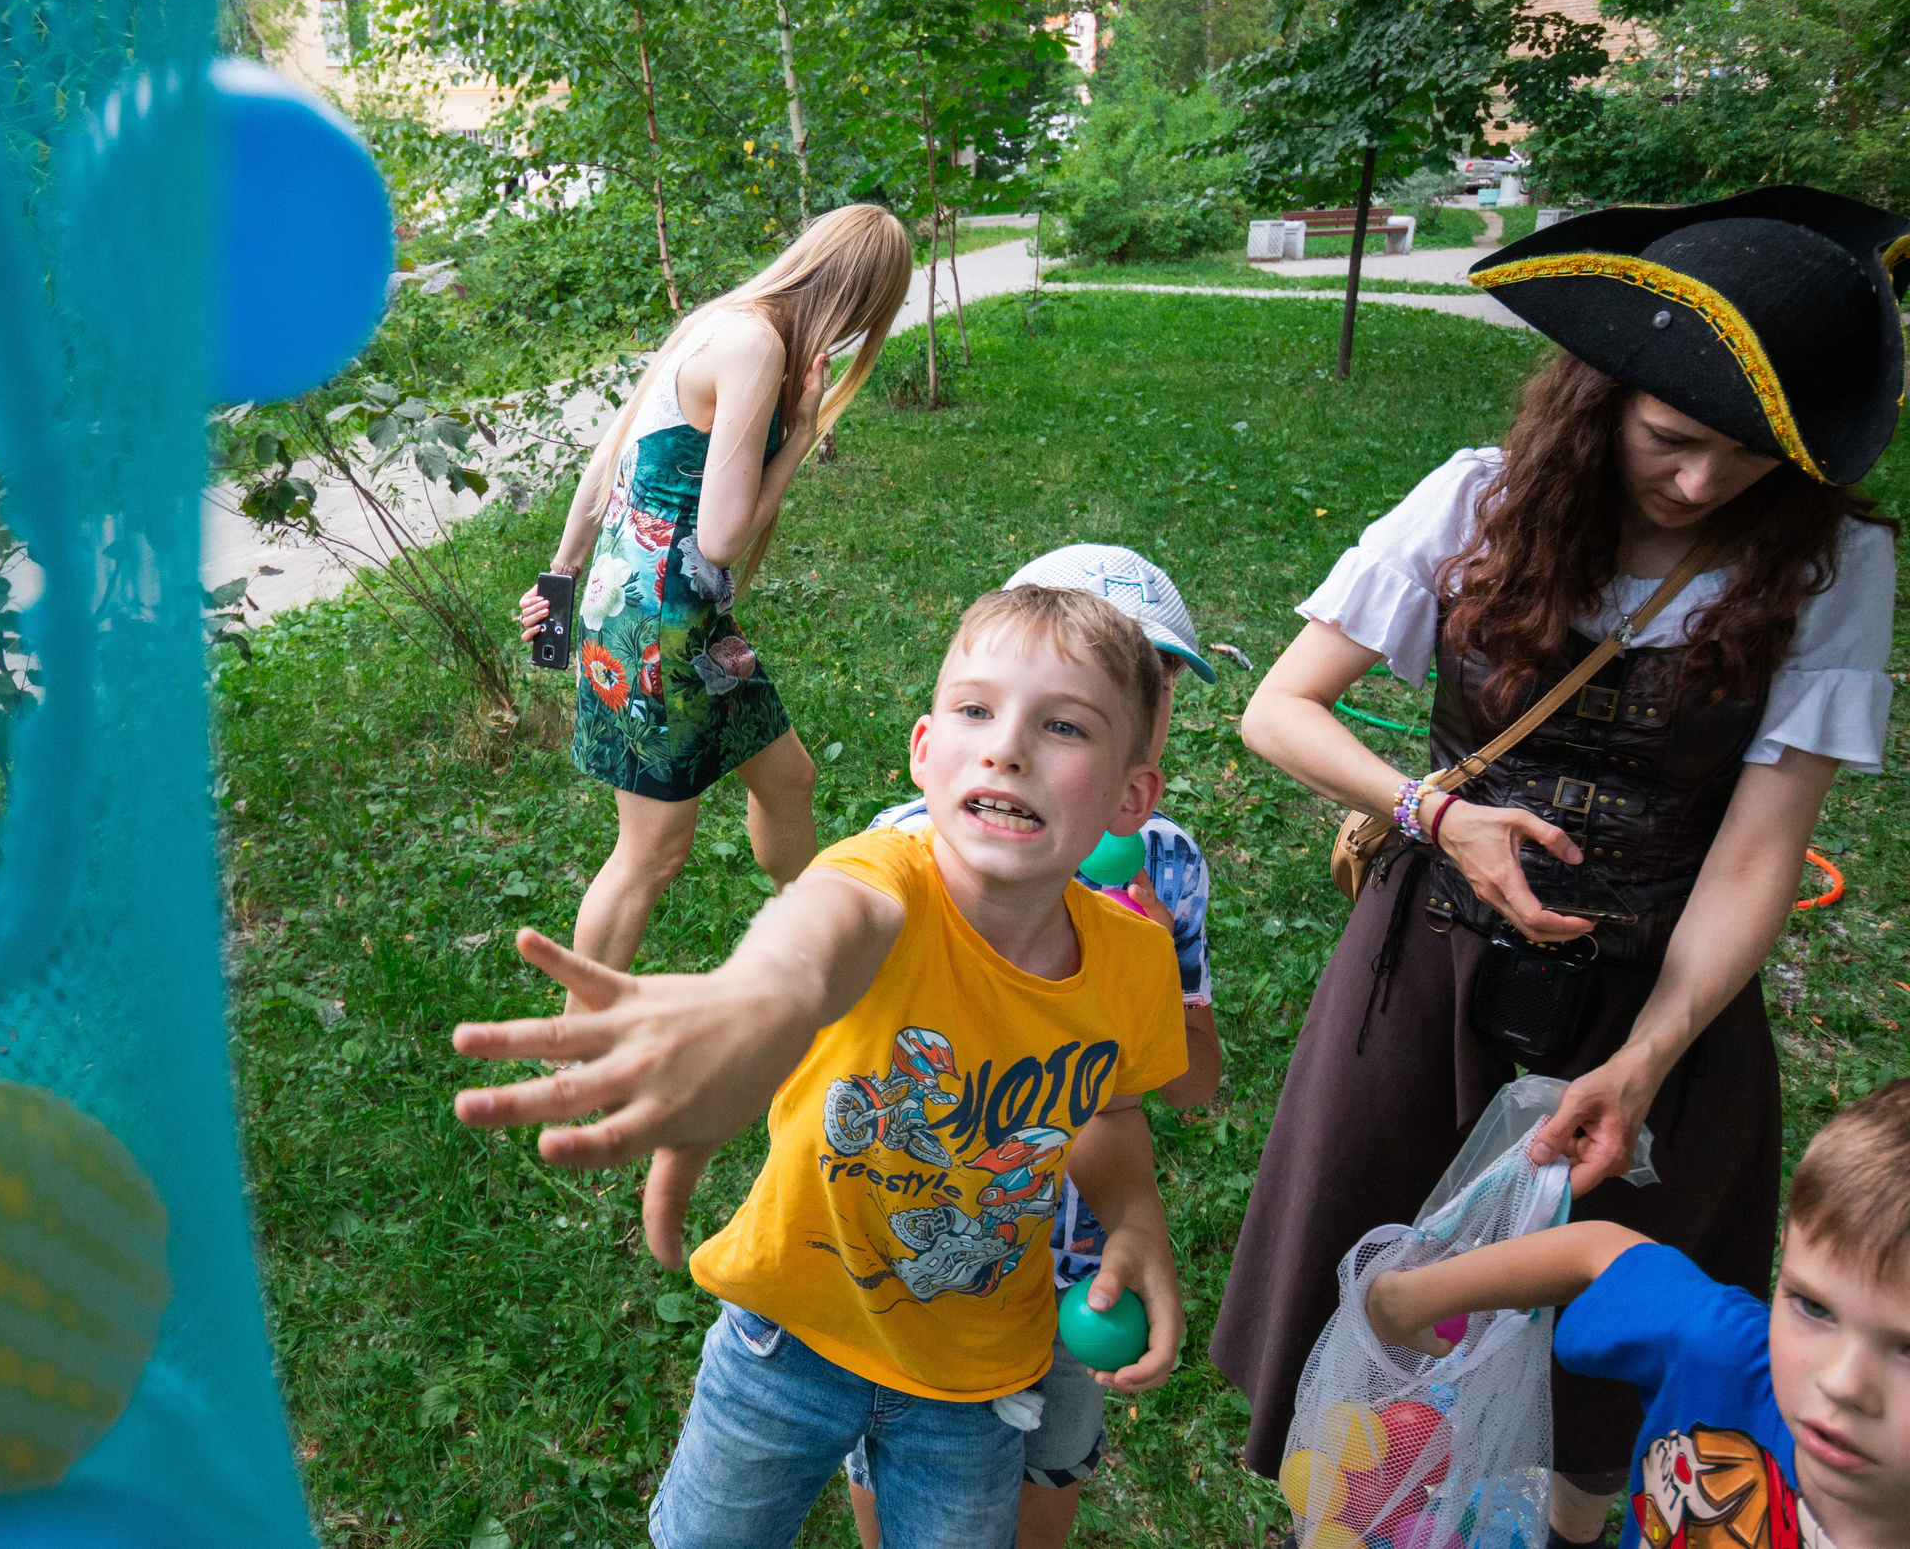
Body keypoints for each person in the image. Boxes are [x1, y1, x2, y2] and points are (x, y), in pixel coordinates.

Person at [1216, 185, 1909, 1549]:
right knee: (1373, 1294)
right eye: (1673, 439)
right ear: (1604, 397)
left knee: (1602, 1372)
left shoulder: (1835, 564)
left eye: (1749, 456)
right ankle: (1352, 1515)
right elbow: (1277, 708)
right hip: (1426, 975)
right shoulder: (1477, 500)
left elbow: (1759, 851)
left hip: (1658, 1004)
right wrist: (1433, 810)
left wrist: (1650, 1054)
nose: (1704, 482)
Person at [453, 586, 1189, 1549]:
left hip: (975, 1379)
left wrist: (1136, 1215)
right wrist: (757, 999)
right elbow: (823, 927)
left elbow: (1112, 1108)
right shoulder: (887, 876)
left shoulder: (1134, 962)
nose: (1006, 747)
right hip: (783, 1342)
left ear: (1132, 796)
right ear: (925, 752)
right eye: (975, 710)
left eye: (1062, 725)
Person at [843, 544, 1225, 1549]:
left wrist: (1145, 952)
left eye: (1157, 676)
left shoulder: (1169, 866)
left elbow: (1185, 1086)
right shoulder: (918, 844)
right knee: (891, 1443)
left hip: (1073, 1255)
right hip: (924, 1237)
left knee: (1054, 1450)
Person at [516, 204, 913, 972]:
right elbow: (721, 539)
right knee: (652, 853)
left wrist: (563, 572)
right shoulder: (756, 344)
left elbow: (612, 450)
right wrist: (800, 437)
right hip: (658, 628)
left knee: (790, 776)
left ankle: (812, 953)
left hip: (677, 615)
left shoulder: (728, 321)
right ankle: (577, 1044)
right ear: (863, 300)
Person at [1361, 1077, 1910, 1549]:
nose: (1841, 1383)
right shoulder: (1728, 1356)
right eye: (1814, 1306)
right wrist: (1407, 1299)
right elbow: (1597, 1252)